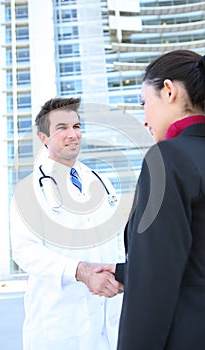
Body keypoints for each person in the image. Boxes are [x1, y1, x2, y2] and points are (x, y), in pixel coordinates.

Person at [101, 49, 205, 349]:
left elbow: (154, 285)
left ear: (169, 91)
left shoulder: (169, 159)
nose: (144, 118)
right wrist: (127, 272)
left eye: (144, 102)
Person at [10, 97, 125, 350]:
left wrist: (119, 274)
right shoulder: (28, 190)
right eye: (62, 128)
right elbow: (25, 251)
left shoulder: (101, 182)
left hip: (110, 316)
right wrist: (80, 271)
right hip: (61, 325)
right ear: (44, 138)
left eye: (77, 126)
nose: (73, 134)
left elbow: (117, 240)